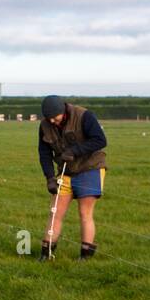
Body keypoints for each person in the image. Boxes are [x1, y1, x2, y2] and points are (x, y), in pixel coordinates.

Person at [37, 95, 107, 260]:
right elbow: (44, 153)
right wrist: (49, 178)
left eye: (55, 117)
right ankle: (46, 253)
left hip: (90, 168)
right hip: (66, 171)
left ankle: (85, 255)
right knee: (55, 212)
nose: (53, 121)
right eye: (49, 118)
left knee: (85, 213)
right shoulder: (45, 125)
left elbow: (100, 140)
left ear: (63, 111)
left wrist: (74, 151)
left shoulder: (84, 116)